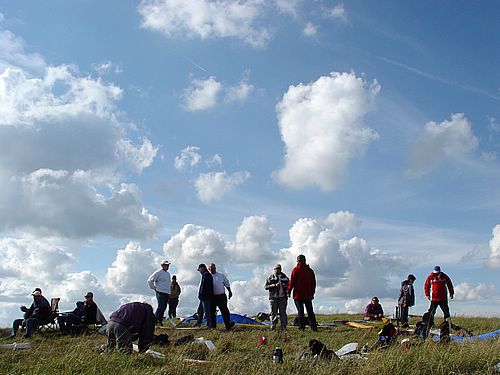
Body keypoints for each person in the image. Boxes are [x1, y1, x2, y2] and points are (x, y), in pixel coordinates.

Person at [287, 254, 318, 331]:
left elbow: (292, 282)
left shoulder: (295, 270)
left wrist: (289, 291)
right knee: (310, 311)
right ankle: (313, 327)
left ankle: (302, 327)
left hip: (298, 295)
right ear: (305, 260)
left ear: (298, 261)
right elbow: (313, 283)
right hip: (308, 294)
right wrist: (312, 293)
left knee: (300, 311)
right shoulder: (310, 271)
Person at [209, 263, 235, 331]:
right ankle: (213, 327)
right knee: (212, 312)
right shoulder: (208, 276)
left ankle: (228, 326)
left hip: (221, 296)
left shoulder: (220, 275)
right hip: (212, 297)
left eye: (214, 268)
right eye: (211, 268)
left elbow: (226, 283)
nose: (213, 269)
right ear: (209, 269)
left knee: (225, 311)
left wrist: (229, 291)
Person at [264, 264, 289, 330]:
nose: (278, 270)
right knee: (273, 313)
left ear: (281, 269)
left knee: (283, 313)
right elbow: (266, 287)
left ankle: (283, 326)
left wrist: (286, 286)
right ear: (274, 269)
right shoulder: (270, 277)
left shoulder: (285, 277)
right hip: (273, 297)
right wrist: (274, 285)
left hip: (283, 297)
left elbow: (289, 286)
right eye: (276, 269)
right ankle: (273, 326)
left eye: (279, 268)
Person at [147, 260, 171, 326]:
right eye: (166, 265)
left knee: (164, 307)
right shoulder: (158, 272)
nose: (167, 266)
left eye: (168, 265)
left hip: (166, 292)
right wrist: (154, 288)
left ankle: (160, 321)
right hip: (160, 292)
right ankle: (155, 320)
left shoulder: (168, 274)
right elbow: (150, 280)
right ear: (162, 265)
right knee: (161, 306)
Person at [197, 264, 214, 329]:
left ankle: (209, 325)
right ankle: (199, 324)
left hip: (205, 297)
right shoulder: (206, 275)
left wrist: (201, 294)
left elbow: (204, 286)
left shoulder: (206, 275)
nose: (199, 271)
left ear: (202, 268)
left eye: (199, 270)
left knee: (207, 312)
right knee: (200, 311)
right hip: (203, 297)